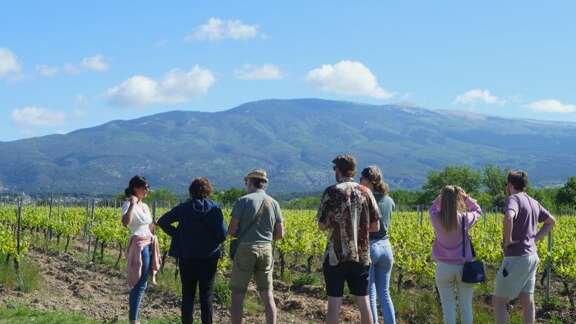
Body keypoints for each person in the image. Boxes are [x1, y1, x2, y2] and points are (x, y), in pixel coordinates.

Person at [317, 155, 381, 324]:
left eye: (334, 169)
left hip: (335, 256)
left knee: (334, 304)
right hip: (361, 255)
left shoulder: (331, 192)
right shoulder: (366, 192)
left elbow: (322, 225)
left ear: (338, 170)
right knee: (363, 301)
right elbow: (376, 227)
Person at [157, 177, 227, 324]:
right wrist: (210, 241)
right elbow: (222, 235)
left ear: (191, 191)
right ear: (208, 191)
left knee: (187, 295)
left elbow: (162, 221)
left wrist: (178, 235)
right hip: (209, 258)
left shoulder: (183, 208)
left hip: (186, 256)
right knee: (206, 295)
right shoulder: (215, 209)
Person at [493, 170, 556, 324]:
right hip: (532, 257)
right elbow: (551, 221)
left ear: (509, 185)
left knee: (499, 301)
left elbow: (509, 217)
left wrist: (507, 240)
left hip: (516, 257)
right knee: (527, 300)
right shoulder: (533, 201)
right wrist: (535, 239)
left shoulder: (513, 199)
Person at [228, 169, 284, 324]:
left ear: (251, 182)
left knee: (238, 296)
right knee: (268, 295)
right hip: (266, 249)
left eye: (246, 182)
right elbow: (280, 234)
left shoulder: (243, 201)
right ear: (263, 184)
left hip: (246, 248)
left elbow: (232, 231)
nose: (245, 185)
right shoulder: (274, 203)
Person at [429, 185, 482, 324]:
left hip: (443, 268)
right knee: (466, 307)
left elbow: (432, 207)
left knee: (448, 308)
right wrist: (465, 197)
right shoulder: (464, 218)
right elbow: (478, 210)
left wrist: (442, 197)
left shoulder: (436, 218)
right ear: (457, 200)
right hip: (464, 267)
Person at [121, 175, 160, 324]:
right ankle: (134, 320)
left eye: (148, 187)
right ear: (136, 188)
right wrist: (132, 204)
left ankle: (134, 319)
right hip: (139, 246)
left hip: (149, 244)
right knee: (139, 283)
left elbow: (148, 226)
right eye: (145, 187)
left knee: (142, 283)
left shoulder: (145, 206)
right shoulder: (129, 204)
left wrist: (155, 226)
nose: (147, 190)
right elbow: (125, 222)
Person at [360, 166, 396, 324]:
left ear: (369, 181)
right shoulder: (389, 200)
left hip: (371, 246)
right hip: (386, 247)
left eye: (361, 179)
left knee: (370, 295)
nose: (359, 182)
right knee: (385, 293)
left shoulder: (365, 199)